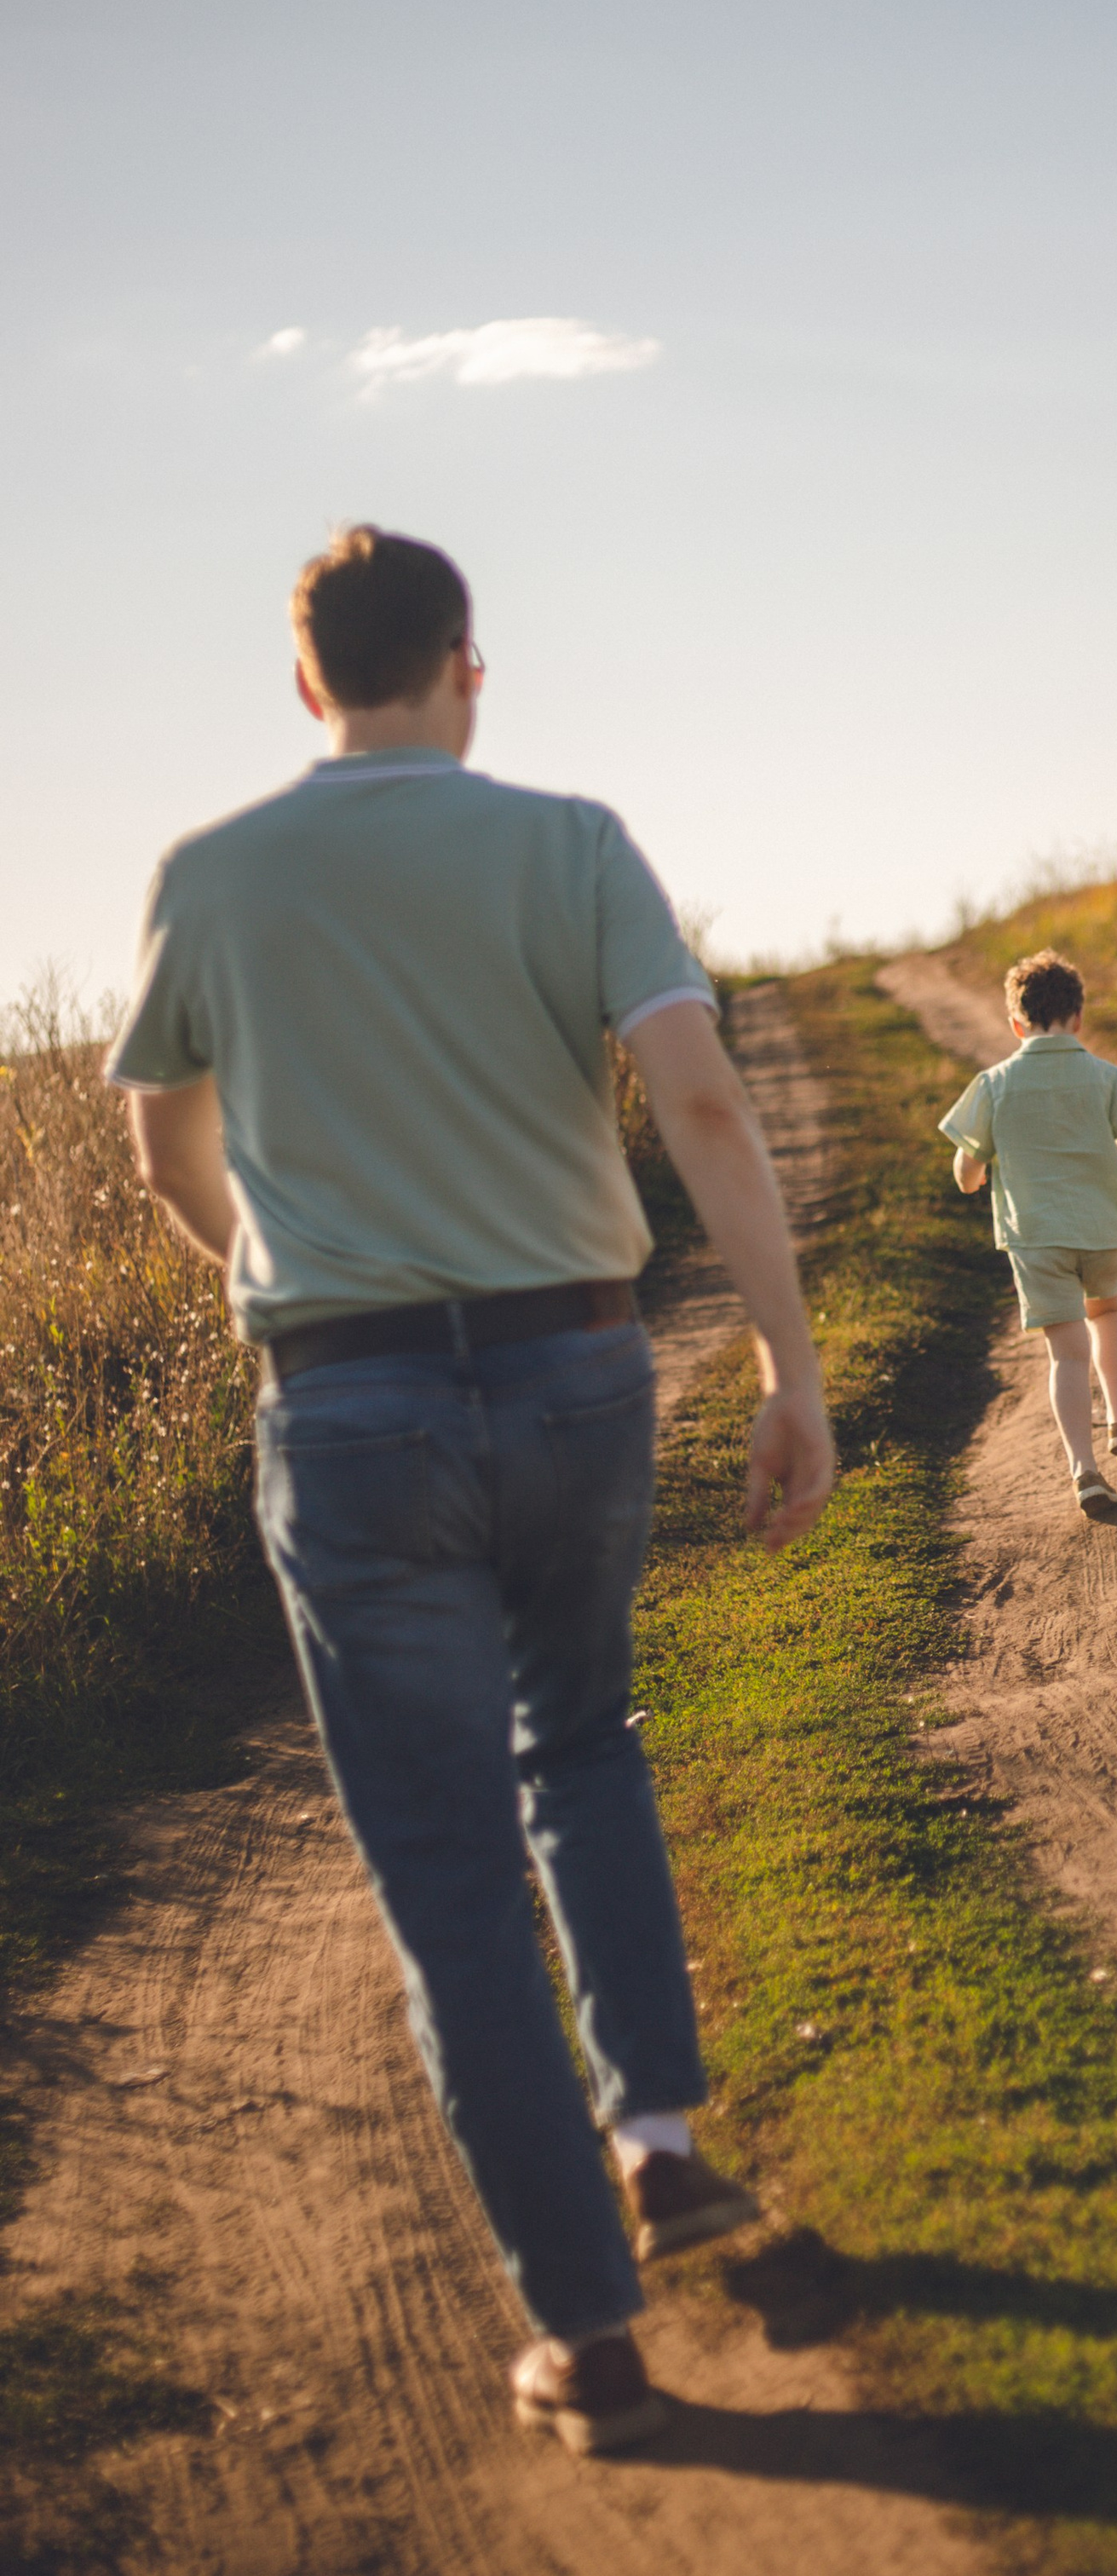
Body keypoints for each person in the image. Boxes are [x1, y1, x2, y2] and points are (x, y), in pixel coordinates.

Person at [110, 526, 836, 2452]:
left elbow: (167, 1156)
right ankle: (662, 2141)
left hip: (347, 1404)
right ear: (466, 660)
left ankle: (590, 2335)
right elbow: (696, 1098)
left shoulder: (211, 873)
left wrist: (290, 1280)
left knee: (448, 1876)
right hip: (578, 1364)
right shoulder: (573, 841)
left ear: (303, 680)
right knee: (581, 1735)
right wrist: (784, 1358)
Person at [940, 949, 1117, 1513]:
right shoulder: (1104, 1076)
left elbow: (968, 1170)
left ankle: (1084, 1471)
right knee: (1107, 1313)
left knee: (1066, 1354)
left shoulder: (993, 1086)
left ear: (1016, 1024)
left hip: (1036, 1236)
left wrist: (973, 1169)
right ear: (1079, 1018)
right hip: (1101, 1227)